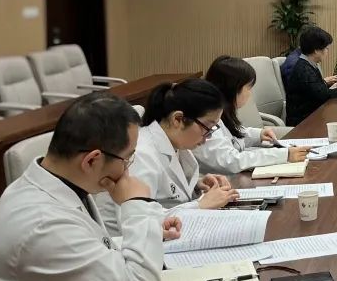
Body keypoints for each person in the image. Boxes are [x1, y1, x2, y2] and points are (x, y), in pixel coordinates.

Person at [0, 92, 180, 281]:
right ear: (92, 160)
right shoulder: (42, 226)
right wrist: (136, 204)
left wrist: (149, 231)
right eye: (127, 159)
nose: (128, 170)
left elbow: (90, 244)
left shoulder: (52, 182)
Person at [96, 79, 238, 234]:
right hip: (128, 242)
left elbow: (164, 194)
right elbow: (136, 221)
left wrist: (195, 186)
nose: (208, 137)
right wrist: (201, 205)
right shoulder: (141, 154)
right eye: (207, 128)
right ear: (178, 119)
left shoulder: (176, 144)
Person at [194, 55, 309, 174]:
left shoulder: (222, 113)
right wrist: (284, 155)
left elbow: (233, 136)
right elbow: (232, 161)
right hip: (224, 180)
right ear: (233, 89)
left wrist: (258, 135)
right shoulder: (206, 119)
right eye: (248, 88)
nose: (250, 94)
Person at [285, 26, 337, 125]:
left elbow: (316, 90)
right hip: (302, 123)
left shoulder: (309, 64)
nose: (327, 52)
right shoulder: (303, 69)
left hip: (313, 116)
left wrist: (330, 86)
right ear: (316, 50)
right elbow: (322, 95)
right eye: (326, 48)